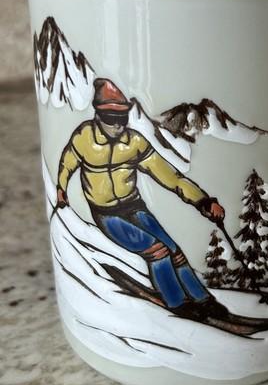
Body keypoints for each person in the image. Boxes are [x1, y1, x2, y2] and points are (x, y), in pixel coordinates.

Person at [56, 78, 228, 320]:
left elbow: (171, 177)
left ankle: (203, 300)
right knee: (157, 250)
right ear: (98, 114)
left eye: (122, 117)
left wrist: (203, 202)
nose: (118, 124)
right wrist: (61, 189)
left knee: (174, 250)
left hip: (134, 205)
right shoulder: (84, 138)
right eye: (111, 117)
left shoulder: (134, 142)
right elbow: (67, 163)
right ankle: (176, 302)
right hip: (106, 214)